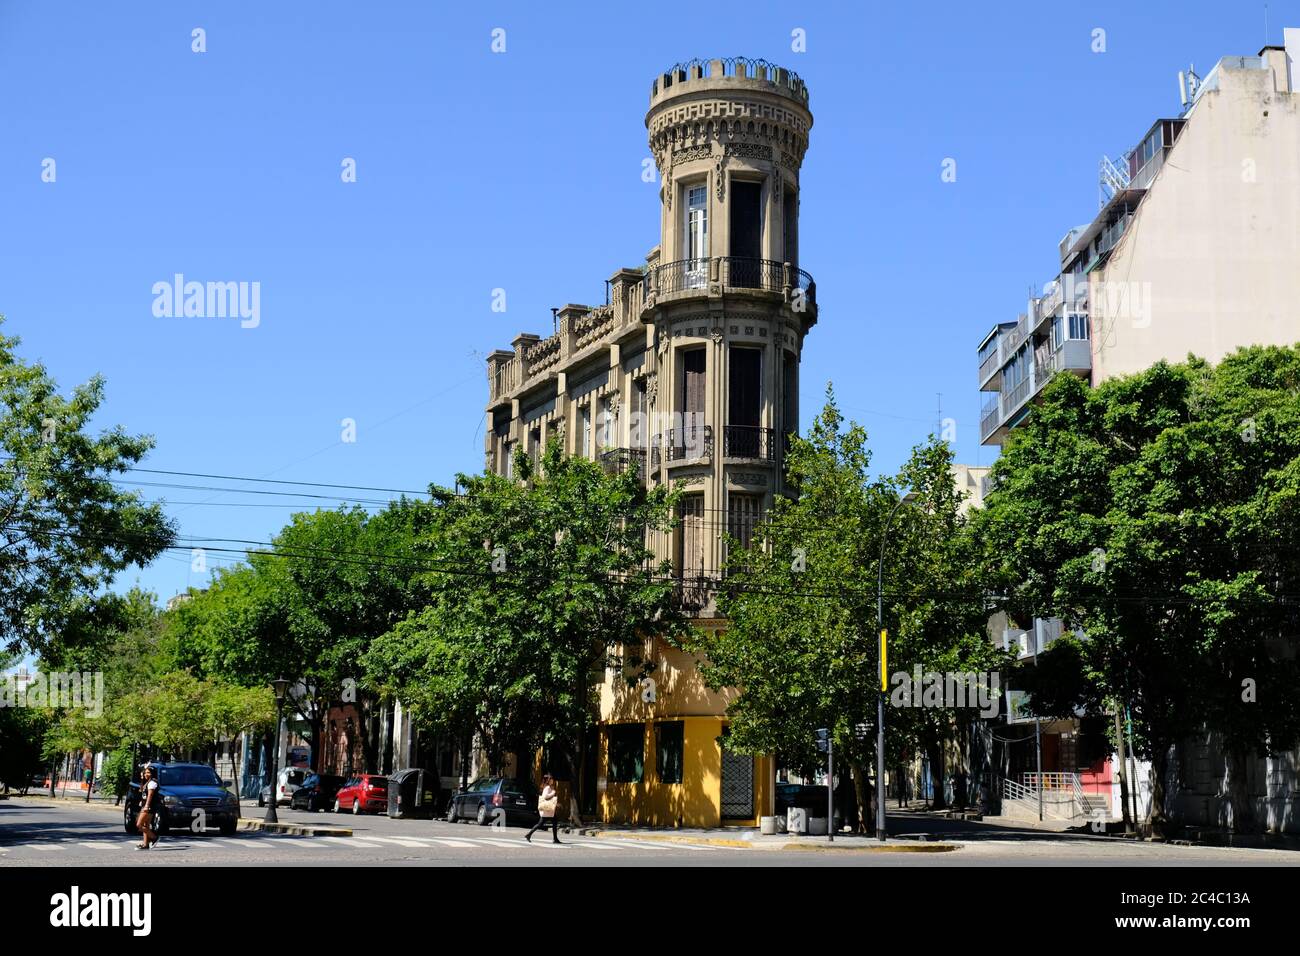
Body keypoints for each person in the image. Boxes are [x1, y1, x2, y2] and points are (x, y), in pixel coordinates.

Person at [525, 773, 560, 844]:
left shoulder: (548, 787)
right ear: (548, 780)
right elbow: (545, 796)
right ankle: (529, 835)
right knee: (540, 824)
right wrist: (553, 793)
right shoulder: (547, 788)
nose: (553, 780)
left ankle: (555, 838)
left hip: (549, 811)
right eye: (551, 779)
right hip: (547, 810)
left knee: (554, 821)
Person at [136, 765, 160, 850]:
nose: (146, 774)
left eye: (148, 772)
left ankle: (154, 837)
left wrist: (146, 805)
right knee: (146, 825)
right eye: (145, 772)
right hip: (146, 806)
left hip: (148, 807)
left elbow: (150, 795)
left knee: (139, 825)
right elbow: (141, 790)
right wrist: (142, 779)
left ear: (152, 773)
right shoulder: (147, 782)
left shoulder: (152, 783)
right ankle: (145, 844)